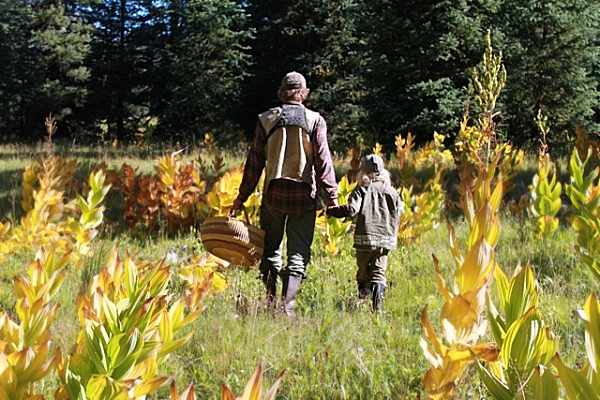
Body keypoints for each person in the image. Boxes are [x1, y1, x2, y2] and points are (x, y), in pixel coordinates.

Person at [232, 71, 338, 317]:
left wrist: (242, 197)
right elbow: (323, 161)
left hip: (273, 195)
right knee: (298, 254)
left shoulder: (266, 119)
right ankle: (287, 309)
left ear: (282, 92)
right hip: (304, 196)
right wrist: (332, 196)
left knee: (271, 251)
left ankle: (271, 304)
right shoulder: (314, 120)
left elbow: (254, 164)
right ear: (304, 92)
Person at [326, 154, 403, 312]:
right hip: (385, 240)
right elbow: (399, 211)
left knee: (362, 271)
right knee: (379, 272)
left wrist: (332, 211)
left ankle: (363, 298)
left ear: (363, 172)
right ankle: (377, 310)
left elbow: (351, 209)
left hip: (365, 238)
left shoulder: (363, 188)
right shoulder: (392, 191)